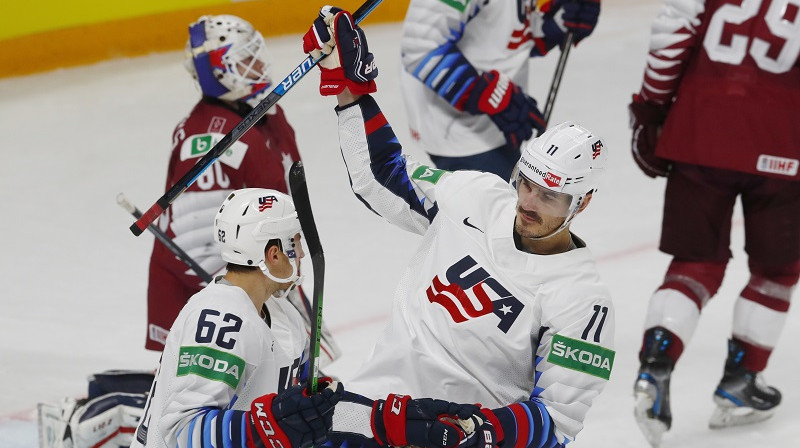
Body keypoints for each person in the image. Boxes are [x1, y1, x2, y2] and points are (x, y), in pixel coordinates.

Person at [302, 7, 615, 447]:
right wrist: (349, 88)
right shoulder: (477, 196)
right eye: (525, 183)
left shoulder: (583, 303)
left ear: (582, 203)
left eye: (548, 196)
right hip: (369, 412)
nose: (527, 203)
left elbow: (556, 421)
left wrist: (484, 433)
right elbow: (384, 177)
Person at [131, 188, 484, 448]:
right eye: (293, 242)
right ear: (272, 254)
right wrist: (265, 428)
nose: (299, 252)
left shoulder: (282, 313)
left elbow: (308, 412)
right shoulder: (219, 318)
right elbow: (183, 432)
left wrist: (390, 422)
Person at [628, 0, 800, 445]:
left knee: (695, 261)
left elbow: (671, 34)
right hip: (784, 144)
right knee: (777, 270)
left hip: (699, 132)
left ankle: (654, 367)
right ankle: (741, 382)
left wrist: (652, 112)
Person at [145, 14, 340, 365]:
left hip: (269, 274)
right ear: (221, 73)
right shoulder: (204, 140)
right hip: (208, 297)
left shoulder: (264, 110)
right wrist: (252, 293)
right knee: (223, 399)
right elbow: (197, 242)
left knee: (303, 383)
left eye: (256, 54)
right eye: (246, 59)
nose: (260, 64)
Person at [399, 0, 601, 179]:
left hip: (494, 127)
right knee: (498, 217)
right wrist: (489, 95)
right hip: (460, 133)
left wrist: (554, 25)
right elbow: (421, 46)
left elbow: (499, 30)